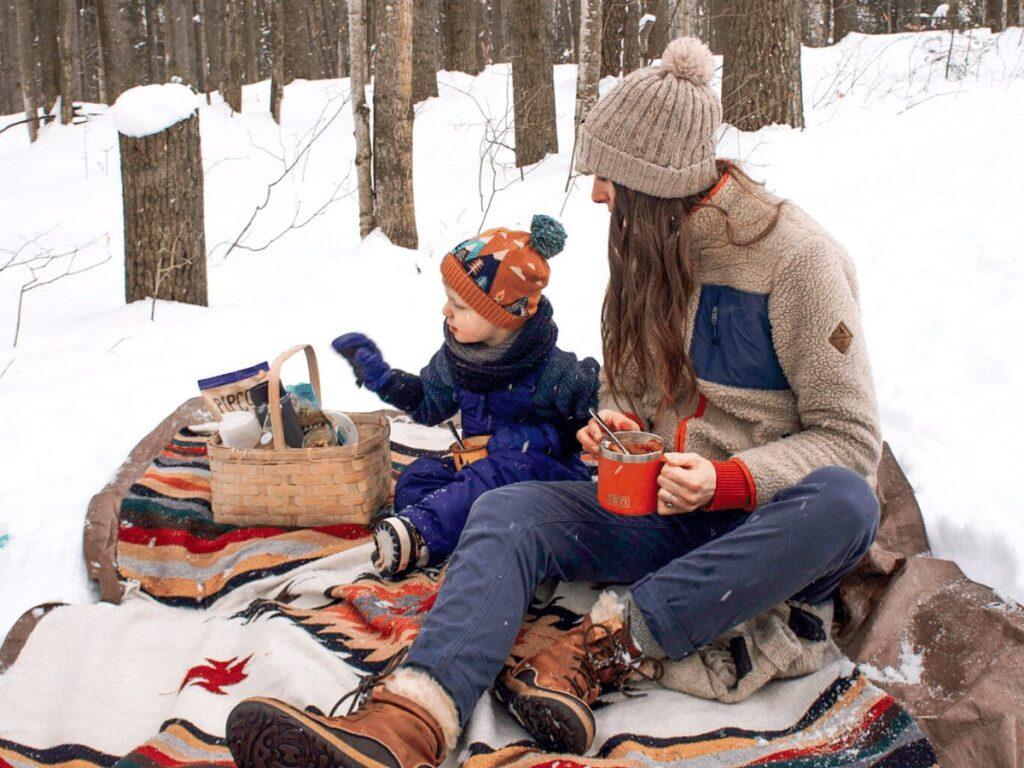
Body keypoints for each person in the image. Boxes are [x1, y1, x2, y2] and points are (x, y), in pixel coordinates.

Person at [226, 36, 882, 768]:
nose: (597, 195)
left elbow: (851, 441)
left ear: (654, 184)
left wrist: (729, 480)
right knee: (505, 509)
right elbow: (622, 389)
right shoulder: (644, 254)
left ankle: (613, 644)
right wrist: (615, 423)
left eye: (611, 178)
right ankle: (407, 723)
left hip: (761, 530)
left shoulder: (800, 259)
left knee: (849, 503)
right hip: (656, 512)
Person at [332, 214, 600, 578]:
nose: (446, 312)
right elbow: (430, 404)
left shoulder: (553, 368)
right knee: (417, 478)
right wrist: (383, 378)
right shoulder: (458, 357)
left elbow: (589, 423)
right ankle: (446, 533)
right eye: (448, 300)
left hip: (543, 479)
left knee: (500, 470)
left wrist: (521, 441)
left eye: (459, 306)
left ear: (503, 315)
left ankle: (426, 533)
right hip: (478, 471)